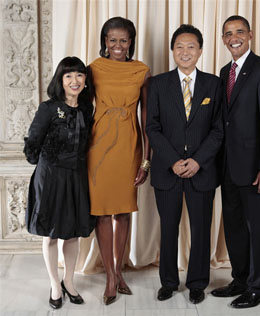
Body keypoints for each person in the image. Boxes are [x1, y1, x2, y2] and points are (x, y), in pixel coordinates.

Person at [146, 24, 223, 304]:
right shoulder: (157, 84)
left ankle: (197, 283)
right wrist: (173, 161)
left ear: (200, 50)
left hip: (202, 171)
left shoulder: (214, 84)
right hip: (168, 170)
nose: (185, 51)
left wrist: (198, 161)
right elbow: (152, 127)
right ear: (172, 51)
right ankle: (168, 282)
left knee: (201, 229)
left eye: (191, 46)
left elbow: (218, 130)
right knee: (168, 228)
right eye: (179, 46)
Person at [211, 15, 260, 308]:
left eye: (239, 31)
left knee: (258, 228)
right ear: (224, 40)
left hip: (256, 169)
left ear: (250, 35)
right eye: (228, 33)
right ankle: (239, 279)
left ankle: (258, 287)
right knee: (235, 226)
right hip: (228, 166)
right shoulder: (223, 71)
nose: (234, 37)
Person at [87, 17, 151, 305]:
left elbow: (147, 120)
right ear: (104, 41)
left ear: (131, 42)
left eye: (123, 40)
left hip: (128, 148)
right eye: (112, 39)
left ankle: (118, 270)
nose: (117, 45)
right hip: (98, 149)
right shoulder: (93, 69)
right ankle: (112, 276)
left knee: (123, 211)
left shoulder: (142, 71)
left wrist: (146, 160)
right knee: (101, 212)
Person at [24, 56, 96, 309]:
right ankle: (55, 284)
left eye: (79, 75)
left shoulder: (87, 109)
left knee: (73, 232)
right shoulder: (48, 108)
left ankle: (69, 281)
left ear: (85, 80)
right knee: (51, 235)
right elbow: (32, 143)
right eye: (68, 76)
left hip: (76, 176)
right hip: (51, 177)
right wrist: (47, 166)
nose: (74, 81)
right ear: (60, 80)